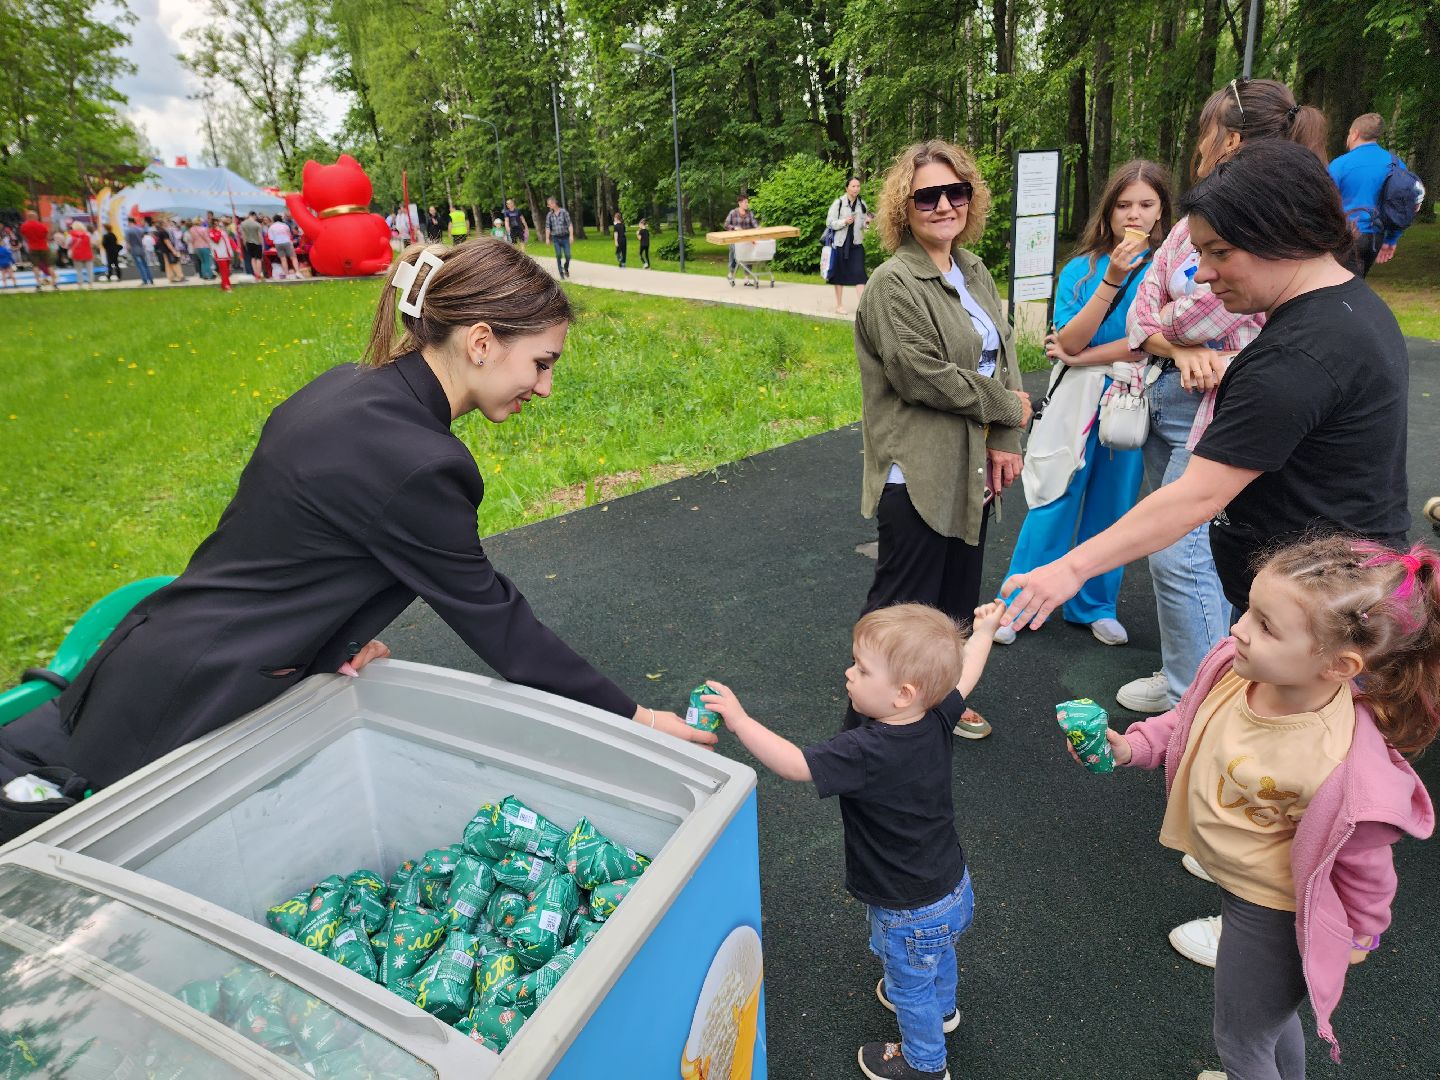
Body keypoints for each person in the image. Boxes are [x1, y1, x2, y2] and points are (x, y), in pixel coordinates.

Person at [0, 240, 713, 842]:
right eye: (543, 362)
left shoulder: (344, 388)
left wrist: (328, 642)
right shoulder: (421, 463)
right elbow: (502, 628)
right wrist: (636, 717)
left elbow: (289, 547)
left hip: (146, 655)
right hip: (193, 703)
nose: (546, 387)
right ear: (482, 342)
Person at [1002, 140, 1412, 972]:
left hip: (1318, 611)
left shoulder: (1299, 355)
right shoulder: (1345, 310)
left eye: (1219, 253)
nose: (1205, 275)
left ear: (1284, 232)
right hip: (1322, 590)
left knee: (1303, 767)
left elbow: (1194, 496)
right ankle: (1251, 863)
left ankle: (1270, 917)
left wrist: (1069, 568)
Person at [1076, 535, 1437, 1079]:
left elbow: (1367, 868)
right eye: (1249, 608)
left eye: (1267, 626)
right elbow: (1190, 719)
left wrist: (1361, 933)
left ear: (1339, 665)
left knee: (1241, 1042)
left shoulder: (1342, 766)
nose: (1239, 627)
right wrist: (1133, 746)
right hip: (1235, 879)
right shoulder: (1236, 669)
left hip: (1273, 907)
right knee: (1267, 1022)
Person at [702, 600, 1005, 1080]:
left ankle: (925, 1064)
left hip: (906, 905)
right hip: (951, 884)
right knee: (937, 953)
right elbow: (965, 676)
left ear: (903, 693)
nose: (848, 673)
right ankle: (944, 1011)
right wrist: (984, 632)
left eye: (862, 669)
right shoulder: (937, 713)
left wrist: (739, 721)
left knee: (909, 988)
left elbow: (796, 765)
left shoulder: (868, 750)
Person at [1114, 78, 1328, 720]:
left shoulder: (1265, 227)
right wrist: (1173, 344)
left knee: (1183, 551)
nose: (1206, 265)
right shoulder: (1190, 222)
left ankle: (1199, 706)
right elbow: (1141, 316)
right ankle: (1189, 672)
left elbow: (1188, 311)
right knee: (1192, 552)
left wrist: (1167, 326)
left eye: (1218, 255)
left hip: (1224, 406)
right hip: (1170, 391)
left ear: (1228, 138)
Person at [851, 139, 1030, 743]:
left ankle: (942, 700)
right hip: (920, 471)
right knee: (902, 607)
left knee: (956, 598)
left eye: (957, 192)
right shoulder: (892, 283)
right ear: (904, 207)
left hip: (972, 469)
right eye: (928, 195)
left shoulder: (973, 269)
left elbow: (1002, 357)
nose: (945, 205)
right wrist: (1011, 407)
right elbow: (919, 373)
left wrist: (1007, 436)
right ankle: (864, 726)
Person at [995, 160, 1173, 648]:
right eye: (1123, 204)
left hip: (1134, 394)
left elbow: (1151, 341)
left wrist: (1082, 353)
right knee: (1055, 492)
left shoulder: (1170, 269)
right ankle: (1016, 601)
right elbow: (1068, 332)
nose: (1133, 215)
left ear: (1161, 211)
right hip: (1076, 396)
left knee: (1114, 503)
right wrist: (1113, 277)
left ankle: (1094, 603)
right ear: (1108, 209)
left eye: (1146, 204)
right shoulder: (1081, 269)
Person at [1328, 112, 1412, 276]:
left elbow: (1324, 200)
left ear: (1355, 134)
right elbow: (1403, 202)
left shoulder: (1340, 164)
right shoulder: (1396, 164)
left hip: (1346, 236)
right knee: (1358, 279)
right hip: (1376, 237)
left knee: (1342, 284)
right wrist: (1391, 239)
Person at [827, 176, 872, 314]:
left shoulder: (862, 204)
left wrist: (867, 223)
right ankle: (839, 305)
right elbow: (830, 223)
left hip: (856, 245)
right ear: (847, 188)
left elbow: (864, 225)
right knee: (839, 275)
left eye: (858, 186)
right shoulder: (838, 203)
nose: (856, 188)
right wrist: (844, 222)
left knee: (860, 275)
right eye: (853, 186)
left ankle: (862, 308)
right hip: (841, 244)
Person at [723, 195, 758, 281]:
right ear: (740, 203)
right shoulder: (733, 212)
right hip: (735, 239)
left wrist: (758, 229)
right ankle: (731, 272)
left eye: (747, 202)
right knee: (733, 251)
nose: (747, 204)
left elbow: (755, 224)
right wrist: (735, 228)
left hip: (746, 239)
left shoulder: (750, 213)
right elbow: (726, 225)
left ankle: (746, 278)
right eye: (745, 202)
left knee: (749, 256)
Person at [19, 211, 56, 291]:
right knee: (49, 265)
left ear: (28, 217)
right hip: (44, 247)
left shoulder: (24, 226)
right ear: (35, 217)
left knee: (35, 266)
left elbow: (23, 236)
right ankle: (54, 283)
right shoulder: (41, 225)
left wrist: (29, 241)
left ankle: (38, 284)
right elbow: (47, 236)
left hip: (32, 248)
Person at [544, 197, 573, 279]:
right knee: (559, 255)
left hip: (565, 237)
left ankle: (566, 268)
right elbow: (547, 227)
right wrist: (547, 238)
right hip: (556, 238)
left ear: (554, 204)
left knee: (568, 256)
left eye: (549, 204)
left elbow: (569, 224)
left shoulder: (564, 212)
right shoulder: (549, 215)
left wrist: (571, 236)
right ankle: (561, 273)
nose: (548, 206)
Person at [122, 218, 152, 286]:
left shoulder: (127, 231)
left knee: (140, 266)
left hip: (134, 249)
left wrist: (127, 250)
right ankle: (151, 280)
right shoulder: (140, 229)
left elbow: (127, 242)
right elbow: (142, 237)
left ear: (129, 222)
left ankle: (145, 280)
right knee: (145, 265)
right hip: (141, 248)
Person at [153, 217, 184, 283]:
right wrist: (173, 251)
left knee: (168, 265)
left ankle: (171, 277)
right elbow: (167, 242)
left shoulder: (160, 231)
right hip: (168, 250)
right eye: (166, 222)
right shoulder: (164, 232)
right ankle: (180, 276)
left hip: (164, 250)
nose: (168, 223)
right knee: (175, 263)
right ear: (163, 224)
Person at [209, 217, 235, 292]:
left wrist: (235, 247)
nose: (217, 224)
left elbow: (229, 239)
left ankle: (224, 285)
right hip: (220, 254)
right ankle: (227, 286)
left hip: (227, 253)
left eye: (218, 222)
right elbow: (216, 240)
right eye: (215, 222)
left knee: (227, 271)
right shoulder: (212, 232)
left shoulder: (223, 231)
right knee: (224, 271)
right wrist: (219, 231)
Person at [67, 221, 94, 288]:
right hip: (87, 253)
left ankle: (80, 284)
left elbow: (67, 244)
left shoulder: (71, 235)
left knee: (79, 270)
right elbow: (92, 244)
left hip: (77, 254)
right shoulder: (88, 234)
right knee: (89, 270)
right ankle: (90, 284)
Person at [239, 211, 265, 279]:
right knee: (258, 259)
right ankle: (259, 274)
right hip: (257, 243)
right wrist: (263, 245)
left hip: (248, 243)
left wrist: (245, 244)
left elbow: (243, 235)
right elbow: (260, 235)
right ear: (254, 215)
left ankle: (255, 274)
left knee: (252, 259)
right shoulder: (257, 224)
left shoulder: (243, 224)